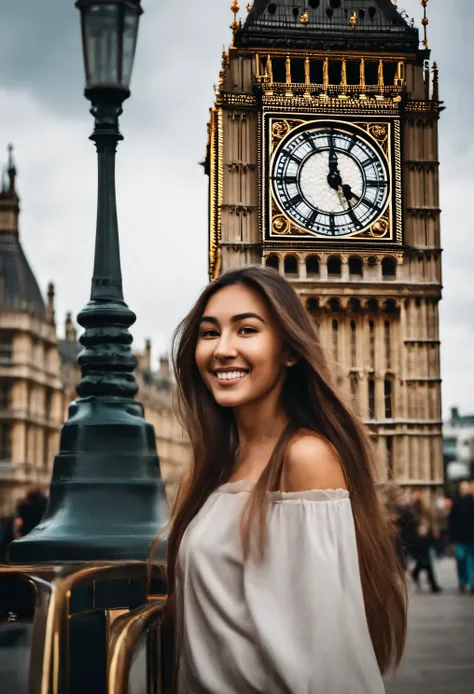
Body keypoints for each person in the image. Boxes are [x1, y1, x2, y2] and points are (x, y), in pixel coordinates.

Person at [156, 266, 407, 693]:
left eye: (247, 330)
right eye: (210, 332)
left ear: (289, 350)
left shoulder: (304, 458)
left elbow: (332, 656)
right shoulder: (213, 469)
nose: (223, 349)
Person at [410, 489, 442, 593]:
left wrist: (433, 530)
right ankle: (432, 584)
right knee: (425, 560)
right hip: (417, 538)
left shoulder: (425, 508)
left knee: (425, 560)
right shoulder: (412, 509)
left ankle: (417, 573)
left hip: (425, 538)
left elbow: (431, 520)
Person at [448, 480, 474, 594]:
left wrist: (452, 539)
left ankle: (462, 582)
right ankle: (472, 583)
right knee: (471, 562)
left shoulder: (456, 503)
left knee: (461, 561)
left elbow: (452, 523)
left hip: (460, 539)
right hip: (472, 539)